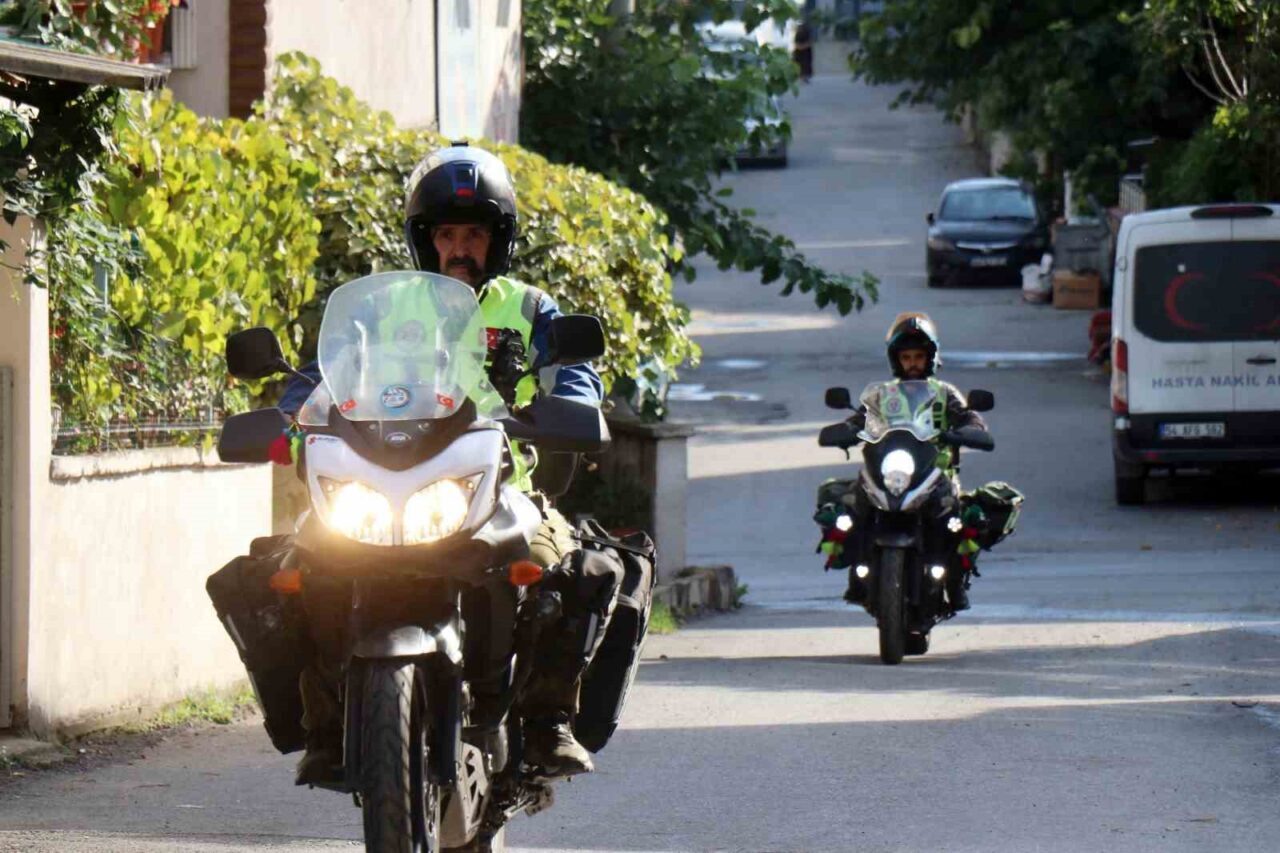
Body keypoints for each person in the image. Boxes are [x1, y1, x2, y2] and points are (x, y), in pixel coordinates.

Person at [281, 142, 617, 784]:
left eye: (474, 235)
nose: (459, 249)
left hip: (501, 482)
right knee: (302, 567)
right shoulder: (381, 306)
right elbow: (317, 377)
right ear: (425, 240)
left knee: (569, 572)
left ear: (499, 240)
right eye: (446, 235)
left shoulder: (529, 307)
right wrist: (294, 418)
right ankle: (324, 725)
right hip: (383, 475)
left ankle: (547, 721)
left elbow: (573, 373)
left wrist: (570, 408)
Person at [837, 312, 989, 612]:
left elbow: (969, 417)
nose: (913, 363)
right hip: (889, 470)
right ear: (896, 360)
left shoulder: (945, 394)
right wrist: (847, 429)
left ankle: (955, 582)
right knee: (851, 506)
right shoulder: (881, 395)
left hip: (936, 472)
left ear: (930, 358)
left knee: (959, 519)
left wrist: (971, 428)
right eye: (906, 357)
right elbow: (859, 419)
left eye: (918, 356)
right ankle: (857, 572)